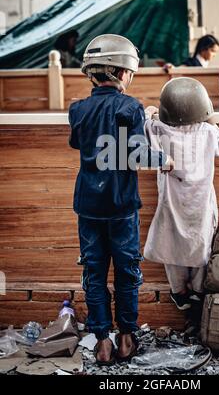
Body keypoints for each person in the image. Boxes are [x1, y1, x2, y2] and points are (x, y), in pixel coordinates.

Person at [68, 34, 174, 366]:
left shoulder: (78, 110)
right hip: (121, 205)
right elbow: (138, 153)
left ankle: (102, 342)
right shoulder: (130, 107)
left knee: (94, 271)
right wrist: (164, 160)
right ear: (121, 72)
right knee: (127, 271)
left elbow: (78, 144)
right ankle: (126, 338)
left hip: (88, 205)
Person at [143, 77, 219, 338]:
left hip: (172, 208)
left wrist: (151, 112)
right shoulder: (208, 132)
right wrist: (211, 118)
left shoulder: (158, 129)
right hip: (202, 208)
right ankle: (197, 299)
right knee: (202, 251)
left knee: (172, 251)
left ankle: (180, 294)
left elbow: (146, 120)